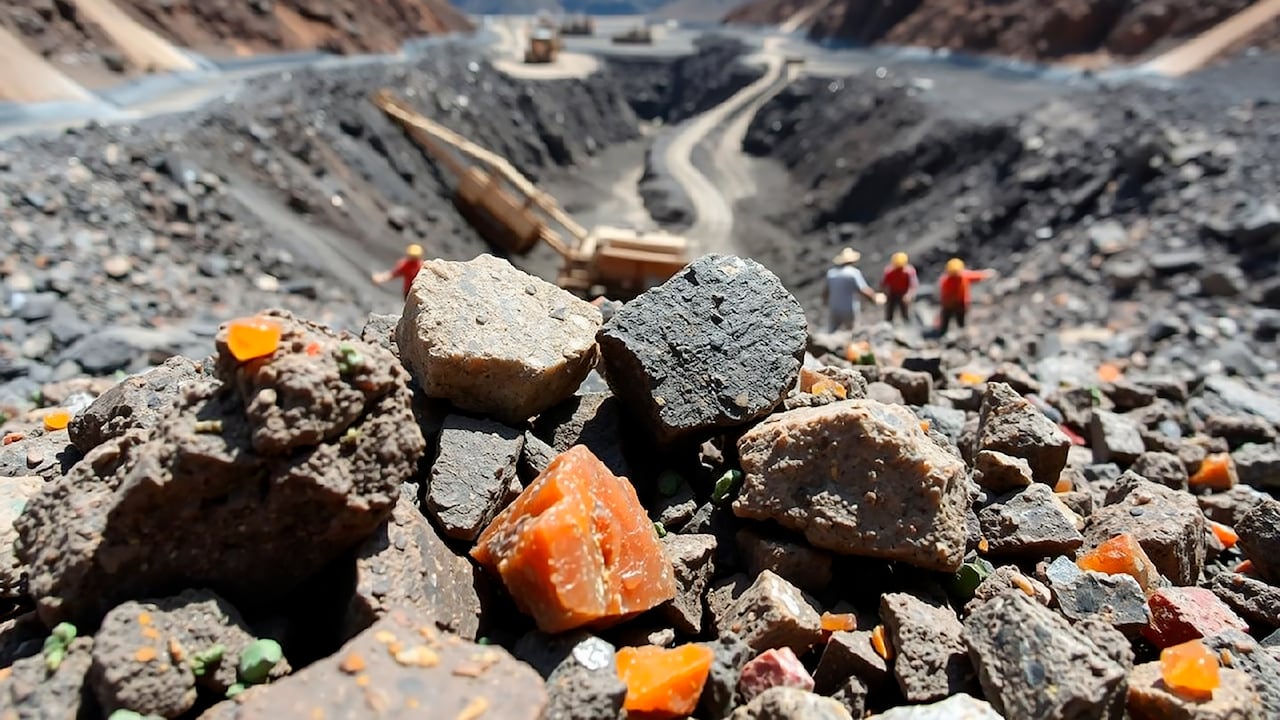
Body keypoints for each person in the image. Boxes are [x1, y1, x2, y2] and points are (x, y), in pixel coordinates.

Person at [823, 247, 883, 332]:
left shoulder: (831, 274)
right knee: (852, 331)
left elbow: (826, 292)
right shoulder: (853, 273)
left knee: (832, 331)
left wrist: (825, 302)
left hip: (834, 307)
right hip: (848, 308)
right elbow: (863, 290)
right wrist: (873, 298)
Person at [938, 257, 996, 335]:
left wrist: (986, 274)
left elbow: (975, 276)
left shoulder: (964, 276)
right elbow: (944, 295)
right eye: (954, 273)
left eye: (957, 273)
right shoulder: (946, 281)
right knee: (946, 319)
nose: (956, 275)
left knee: (961, 320)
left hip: (961, 303)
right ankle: (943, 332)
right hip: (948, 304)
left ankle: (962, 333)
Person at [880, 251, 918, 324]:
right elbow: (883, 284)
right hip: (892, 293)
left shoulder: (909, 272)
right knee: (889, 311)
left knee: (906, 311)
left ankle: (908, 324)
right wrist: (884, 293)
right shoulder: (889, 271)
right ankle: (888, 324)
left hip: (904, 294)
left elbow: (913, 284)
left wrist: (909, 295)